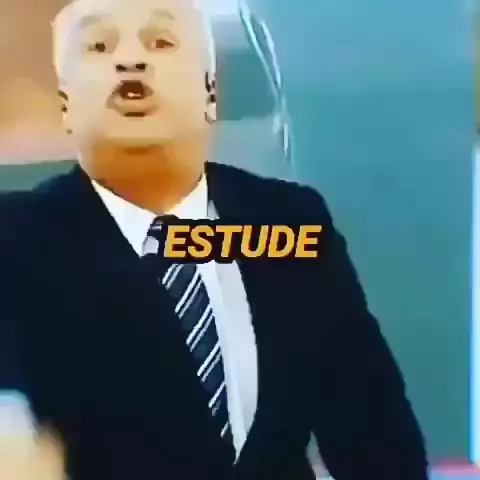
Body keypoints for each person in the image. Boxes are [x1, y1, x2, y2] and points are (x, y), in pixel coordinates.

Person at [0, 0, 428, 478]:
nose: (131, 60)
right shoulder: (17, 239)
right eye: (100, 46)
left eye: (161, 42)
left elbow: (374, 428)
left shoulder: (287, 221)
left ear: (210, 92)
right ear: (66, 104)